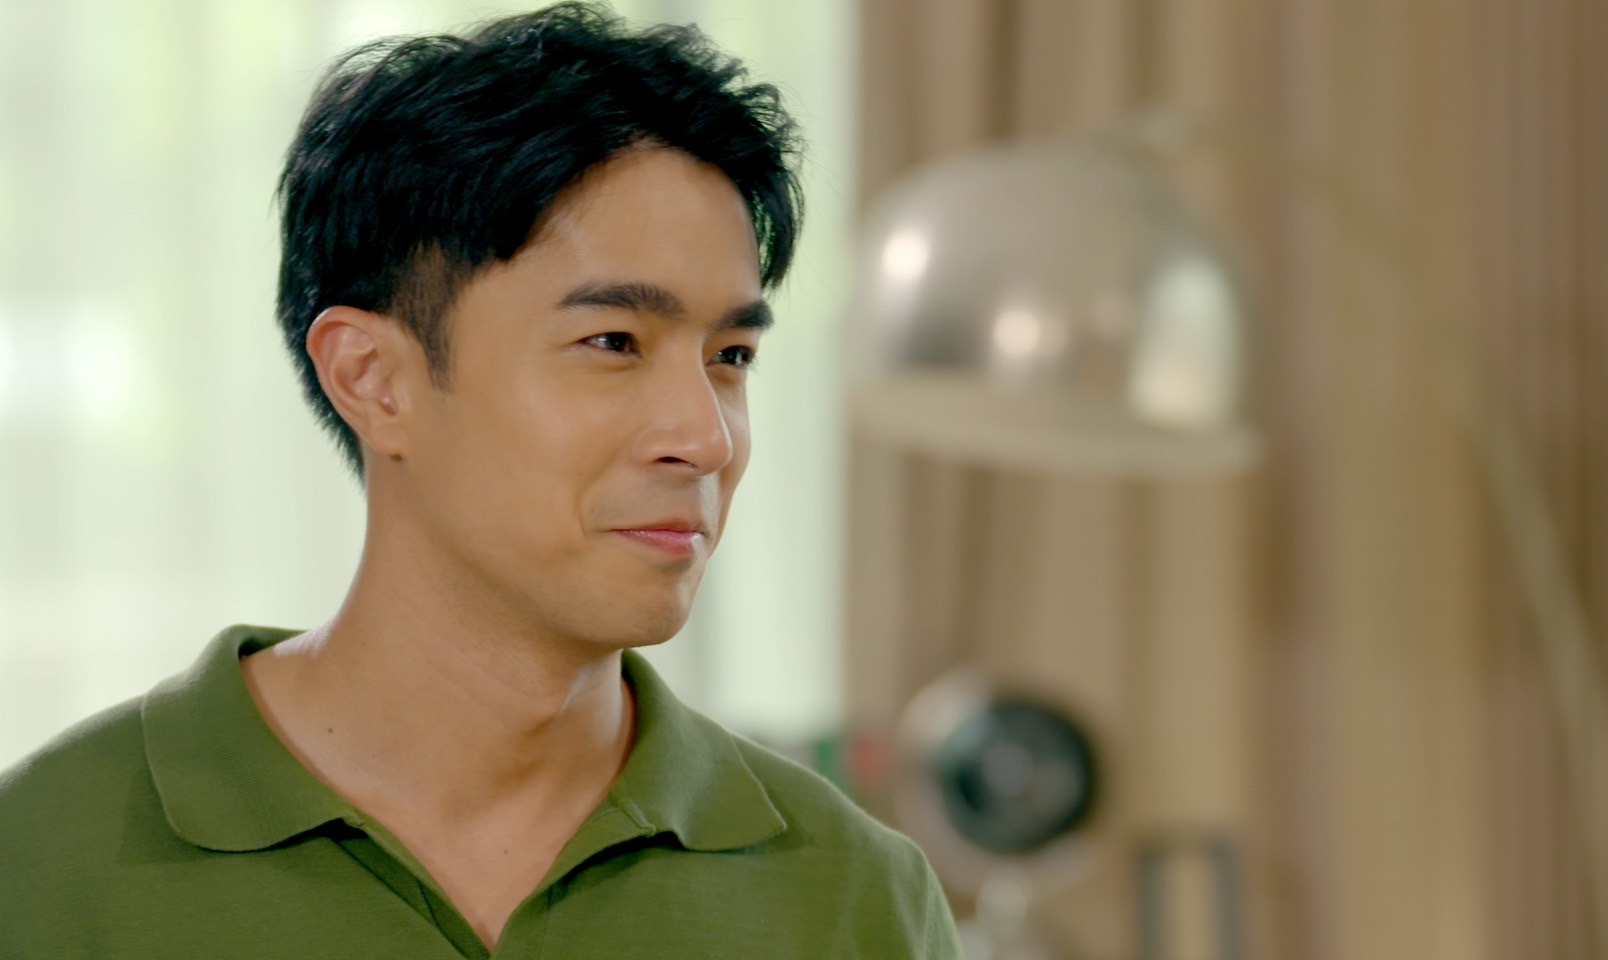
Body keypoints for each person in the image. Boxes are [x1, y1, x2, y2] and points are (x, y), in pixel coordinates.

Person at [0, 4, 960, 957]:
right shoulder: (38, 862)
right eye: (613, 342)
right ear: (372, 379)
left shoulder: (855, 896)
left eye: (730, 356)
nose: (705, 439)